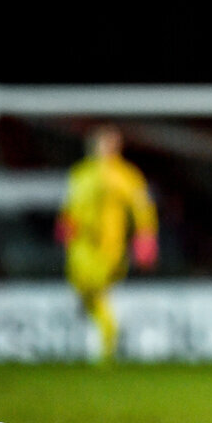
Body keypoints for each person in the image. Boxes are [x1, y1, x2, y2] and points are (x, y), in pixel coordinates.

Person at [56, 125, 159, 362]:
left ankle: (108, 340)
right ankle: (105, 332)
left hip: (109, 248)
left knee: (97, 290)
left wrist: (146, 236)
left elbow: (142, 207)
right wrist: (64, 223)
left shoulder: (127, 175)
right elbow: (70, 205)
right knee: (84, 290)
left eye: (111, 143)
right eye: (102, 143)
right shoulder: (80, 173)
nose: (106, 147)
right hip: (80, 246)